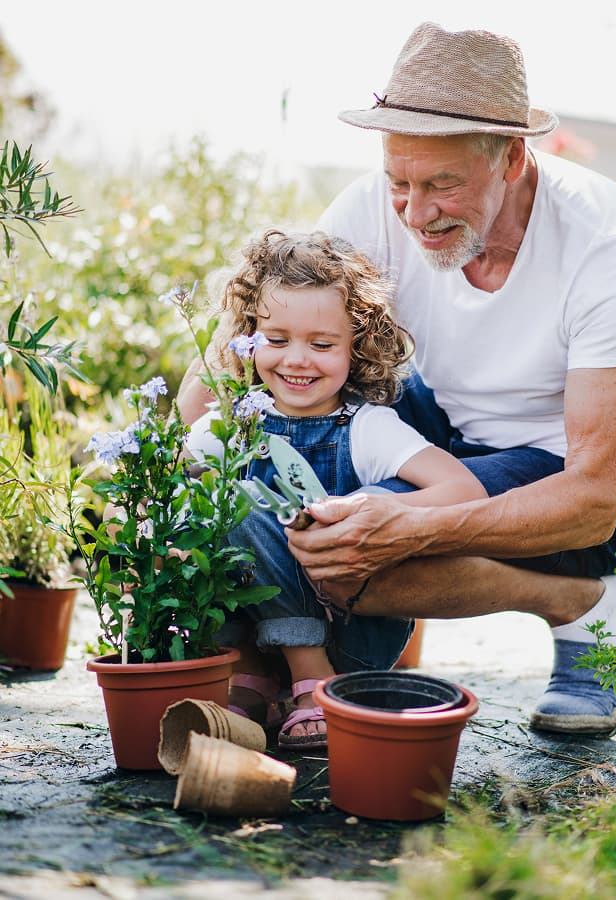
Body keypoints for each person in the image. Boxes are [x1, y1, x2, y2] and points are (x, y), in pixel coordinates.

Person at [179, 22, 616, 737]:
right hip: (446, 433)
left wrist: (411, 526)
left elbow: (595, 500)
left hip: (576, 482)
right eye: (400, 182)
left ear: (512, 157)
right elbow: (244, 348)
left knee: (353, 555)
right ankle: (269, 671)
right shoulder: (373, 206)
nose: (416, 213)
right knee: (301, 517)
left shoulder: (612, 250)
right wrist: (188, 454)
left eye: (443, 185)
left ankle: (583, 604)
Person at [185, 228, 487, 749]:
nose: (297, 360)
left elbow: (464, 489)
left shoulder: (366, 427)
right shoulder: (232, 423)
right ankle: (253, 677)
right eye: (276, 340)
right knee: (202, 511)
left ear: (357, 346)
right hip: (255, 639)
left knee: (244, 508)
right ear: (250, 337)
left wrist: (373, 506)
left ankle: (313, 678)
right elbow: (167, 479)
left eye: (322, 345)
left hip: (351, 637)